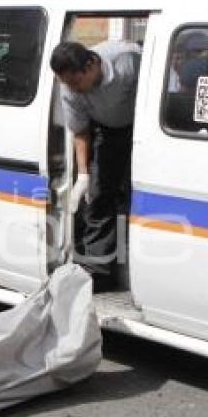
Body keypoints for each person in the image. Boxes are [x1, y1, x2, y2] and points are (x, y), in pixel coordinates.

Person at [50, 40, 141, 292]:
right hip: (107, 131)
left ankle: (140, 264)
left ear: (91, 64)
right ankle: (98, 272)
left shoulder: (128, 60)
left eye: (77, 82)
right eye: (68, 84)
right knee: (99, 197)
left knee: (140, 196)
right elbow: (80, 132)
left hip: (142, 128)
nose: (74, 90)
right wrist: (83, 176)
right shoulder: (69, 87)